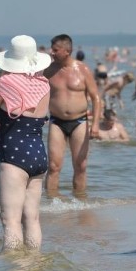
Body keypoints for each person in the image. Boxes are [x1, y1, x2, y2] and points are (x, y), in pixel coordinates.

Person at [0, 35, 51, 250]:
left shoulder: (6, 83)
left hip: (15, 156)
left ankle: (15, 269)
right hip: (38, 154)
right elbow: (26, 116)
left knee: (9, 220)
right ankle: (34, 263)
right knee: (32, 218)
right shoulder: (44, 84)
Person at [43, 34, 102, 193]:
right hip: (56, 122)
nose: (51, 52)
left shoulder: (83, 70)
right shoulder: (49, 70)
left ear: (67, 50)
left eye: (55, 50)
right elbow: (35, 93)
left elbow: (96, 98)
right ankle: (50, 204)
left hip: (80, 122)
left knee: (81, 166)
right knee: (53, 166)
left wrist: (95, 125)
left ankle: (80, 204)